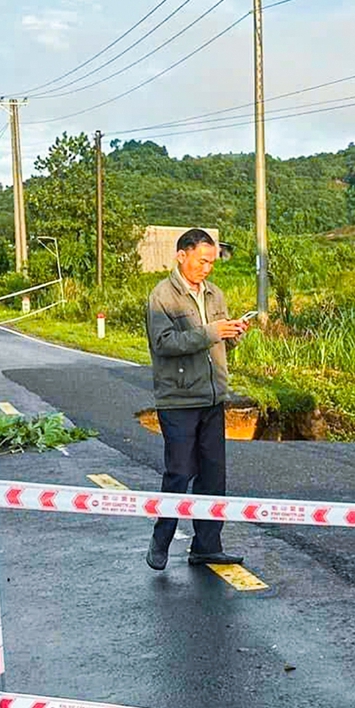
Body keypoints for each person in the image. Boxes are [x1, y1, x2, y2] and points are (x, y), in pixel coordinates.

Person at [144, 229, 251, 571]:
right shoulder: (162, 296)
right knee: (179, 472)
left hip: (213, 395)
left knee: (213, 474)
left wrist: (232, 334)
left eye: (212, 262)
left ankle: (207, 545)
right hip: (178, 398)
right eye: (202, 260)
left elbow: (217, 342)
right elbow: (163, 343)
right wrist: (210, 333)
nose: (207, 268)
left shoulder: (215, 294)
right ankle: (161, 541)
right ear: (182, 255)